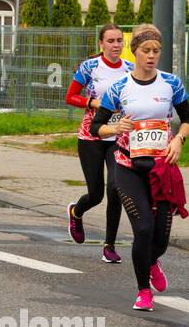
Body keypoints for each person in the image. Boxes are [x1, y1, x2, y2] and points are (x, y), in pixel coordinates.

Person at [91, 23, 189, 310]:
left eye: (156, 51)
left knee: (160, 238)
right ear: (134, 51)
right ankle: (143, 290)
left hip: (162, 169)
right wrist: (115, 127)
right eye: (146, 50)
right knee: (143, 229)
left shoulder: (172, 84)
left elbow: (186, 118)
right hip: (128, 166)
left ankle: (152, 260)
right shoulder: (119, 88)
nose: (151, 56)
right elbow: (97, 127)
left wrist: (178, 141)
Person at [66, 22, 130, 263]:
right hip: (91, 137)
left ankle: (109, 245)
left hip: (118, 136)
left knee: (115, 189)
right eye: (111, 41)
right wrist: (95, 104)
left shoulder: (130, 69)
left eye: (119, 41)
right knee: (96, 194)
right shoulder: (90, 67)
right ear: (101, 44)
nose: (116, 45)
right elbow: (70, 96)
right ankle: (76, 211)